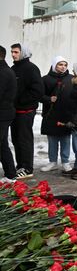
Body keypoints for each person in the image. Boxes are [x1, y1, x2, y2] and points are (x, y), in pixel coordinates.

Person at [10, 43, 44, 179]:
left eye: (16, 52)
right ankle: (21, 166)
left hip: (26, 111)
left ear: (23, 53)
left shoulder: (31, 69)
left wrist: (21, 101)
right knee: (16, 139)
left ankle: (28, 168)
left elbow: (38, 91)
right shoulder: (13, 68)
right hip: (15, 111)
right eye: (12, 52)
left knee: (24, 139)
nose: (13, 54)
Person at [40, 56, 73, 173]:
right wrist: (49, 99)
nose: (63, 67)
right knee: (52, 139)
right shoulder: (45, 79)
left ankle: (65, 162)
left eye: (65, 65)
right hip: (51, 114)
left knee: (65, 139)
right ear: (54, 65)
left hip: (66, 114)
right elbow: (38, 95)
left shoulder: (71, 79)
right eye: (60, 64)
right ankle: (52, 161)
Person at [0, 46, 17, 182]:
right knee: (2, 144)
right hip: (5, 113)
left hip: (3, 114)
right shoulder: (5, 70)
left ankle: (11, 174)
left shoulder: (4, 72)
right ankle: (11, 174)